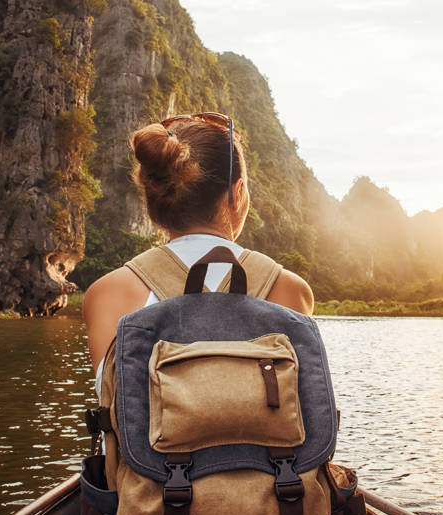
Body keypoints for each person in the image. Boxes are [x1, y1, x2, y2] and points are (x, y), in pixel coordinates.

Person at [83, 113, 314, 375]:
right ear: (237, 194)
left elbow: (114, 407)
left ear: (153, 201)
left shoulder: (107, 293)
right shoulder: (289, 290)